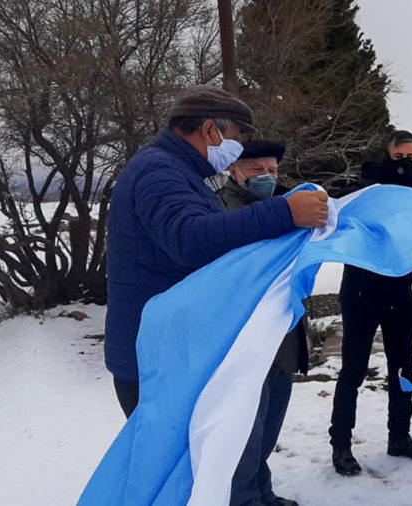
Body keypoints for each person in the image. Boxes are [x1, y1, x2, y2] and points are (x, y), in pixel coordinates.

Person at [104, 85, 329, 419]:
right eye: (235, 137)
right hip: (157, 361)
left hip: (167, 351)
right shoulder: (160, 171)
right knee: (182, 471)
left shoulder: (178, 171)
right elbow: (189, 240)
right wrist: (284, 213)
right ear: (210, 129)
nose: (236, 149)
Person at [328, 130, 412, 477]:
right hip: (361, 294)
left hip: (400, 293)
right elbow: (336, 207)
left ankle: (399, 437)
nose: (405, 165)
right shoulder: (365, 189)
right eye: (399, 157)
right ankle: (341, 445)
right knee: (353, 371)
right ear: (387, 155)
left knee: (403, 370)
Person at [218, 140, 307, 506]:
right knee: (244, 438)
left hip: (281, 340)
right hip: (247, 342)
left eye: (272, 171)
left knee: (266, 434)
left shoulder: (286, 210)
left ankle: (262, 494)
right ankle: (243, 500)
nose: (267, 178)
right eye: (257, 170)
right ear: (234, 171)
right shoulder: (223, 211)